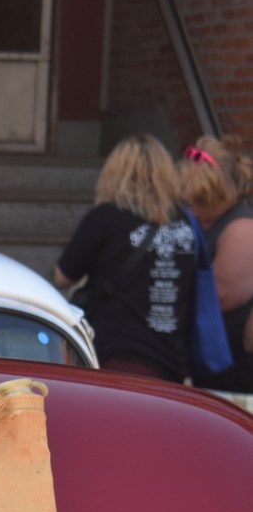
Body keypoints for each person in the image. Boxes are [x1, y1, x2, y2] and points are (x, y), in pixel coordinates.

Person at [54, 134, 195, 381]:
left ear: (113, 175)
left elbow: (62, 276)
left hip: (118, 356)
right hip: (171, 362)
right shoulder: (185, 224)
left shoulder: (105, 217)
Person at [179, 135, 253, 391]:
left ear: (217, 193)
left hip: (229, 363)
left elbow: (219, 297)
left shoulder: (242, 228)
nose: (191, 207)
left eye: (199, 199)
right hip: (203, 360)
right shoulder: (205, 219)